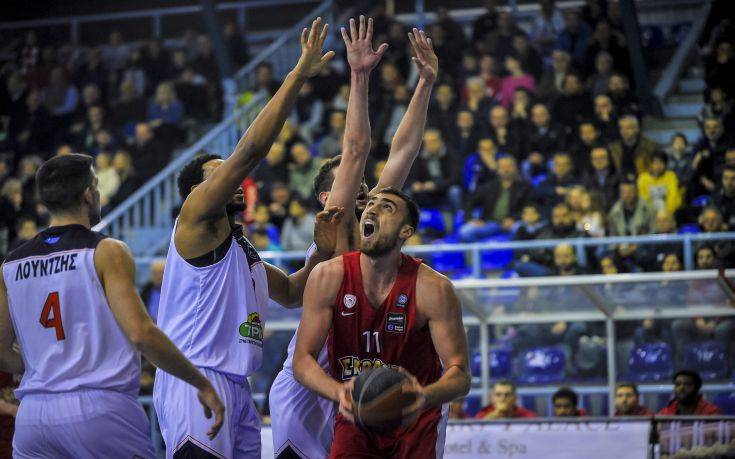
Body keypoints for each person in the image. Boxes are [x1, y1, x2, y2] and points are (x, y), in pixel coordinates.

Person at [152, 18, 341, 457]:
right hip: (195, 378)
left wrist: (321, 251)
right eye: (216, 176)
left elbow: (293, 294)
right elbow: (250, 153)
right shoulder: (196, 221)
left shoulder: (242, 247)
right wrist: (296, 75)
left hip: (238, 384)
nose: (232, 180)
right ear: (197, 193)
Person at [270, 22, 441, 459]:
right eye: (353, 186)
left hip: (359, 383)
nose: (366, 192)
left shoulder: (375, 226)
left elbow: (403, 152)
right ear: (328, 198)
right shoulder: (332, 231)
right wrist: (359, 77)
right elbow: (356, 146)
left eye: (368, 188)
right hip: (308, 385)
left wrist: (424, 84)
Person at [0, 154, 224, 457]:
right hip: (98, 409)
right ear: (89, 194)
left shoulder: (10, 264)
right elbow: (142, 334)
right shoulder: (106, 250)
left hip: (34, 417)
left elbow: (2, 352)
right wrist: (201, 383)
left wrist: (49, 365)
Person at [294, 187, 471, 457]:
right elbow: (302, 360)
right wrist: (340, 392)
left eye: (386, 207)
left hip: (415, 418)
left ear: (405, 232)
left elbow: (460, 374)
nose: (372, 209)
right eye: (371, 204)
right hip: (356, 414)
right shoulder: (328, 276)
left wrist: (424, 396)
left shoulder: (434, 288)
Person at [658, 370, 723, 415]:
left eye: (687, 384)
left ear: (697, 388)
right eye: (678, 384)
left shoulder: (712, 413)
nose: (681, 388)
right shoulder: (664, 413)